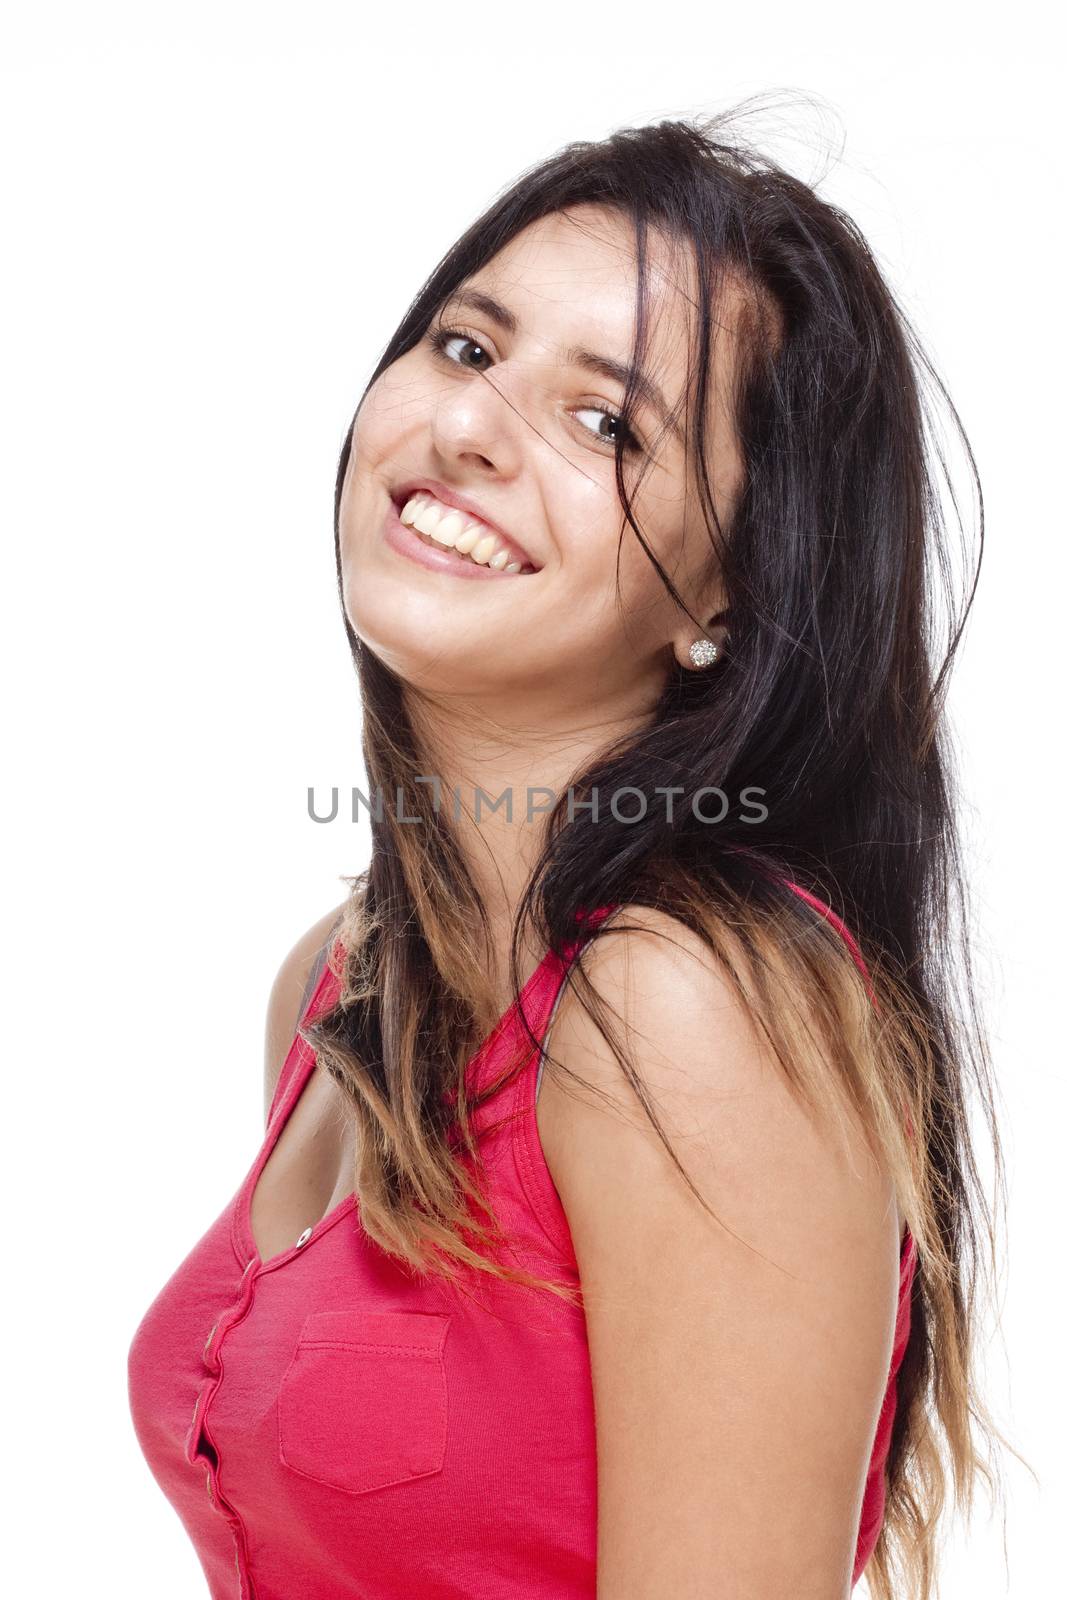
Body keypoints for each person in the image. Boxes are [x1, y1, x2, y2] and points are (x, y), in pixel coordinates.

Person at [128, 110, 1006, 1599]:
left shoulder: (687, 1016)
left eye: (608, 423)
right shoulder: (338, 982)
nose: (468, 427)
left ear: (725, 592)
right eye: (468, 348)